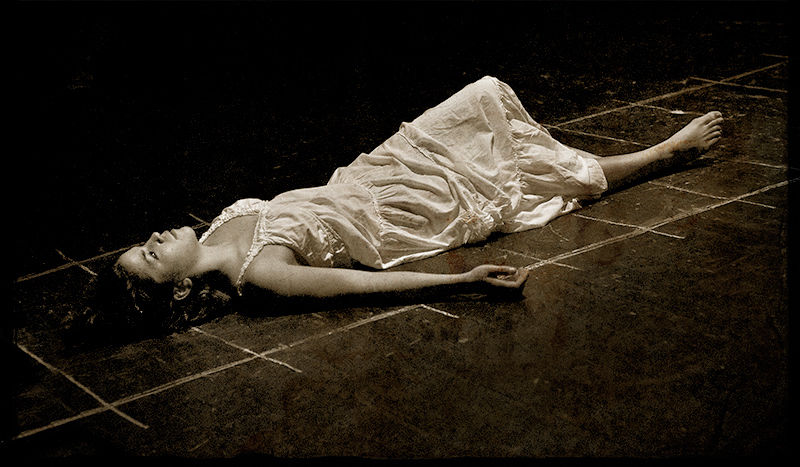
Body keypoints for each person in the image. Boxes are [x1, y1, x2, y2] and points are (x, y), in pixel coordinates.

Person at [67, 76, 723, 341]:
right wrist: (463, 281)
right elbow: (360, 286)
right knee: (517, 177)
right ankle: (663, 154)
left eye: (145, 242)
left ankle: (653, 154)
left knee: (484, 97)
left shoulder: (219, 228)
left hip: (375, 173)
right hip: (410, 209)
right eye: (151, 253)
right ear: (181, 286)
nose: (156, 236)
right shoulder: (259, 273)